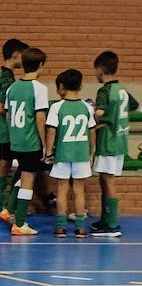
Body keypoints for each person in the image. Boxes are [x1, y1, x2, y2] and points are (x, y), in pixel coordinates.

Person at [44, 69, 96, 238]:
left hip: (63, 153)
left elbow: (51, 130)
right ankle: (80, 228)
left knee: (61, 190)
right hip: (81, 154)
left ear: (62, 86)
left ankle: (61, 227)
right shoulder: (87, 107)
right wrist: (91, 150)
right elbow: (92, 131)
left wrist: (48, 151)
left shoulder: (57, 107)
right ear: (81, 86)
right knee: (79, 190)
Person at [4, 47, 50, 236]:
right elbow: (40, 118)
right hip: (31, 142)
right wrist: (45, 143)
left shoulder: (12, 87)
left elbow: (7, 115)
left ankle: (9, 210)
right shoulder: (39, 88)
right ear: (40, 65)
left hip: (16, 140)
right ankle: (20, 223)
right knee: (28, 180)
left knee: (22, 174)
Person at [90, 50, 135, 237]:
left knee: (108, 181)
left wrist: (93, 111)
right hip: (120, 140)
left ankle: (112, 224)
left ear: (100, 69)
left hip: (108, 140)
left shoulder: (105, 90)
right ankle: (106, 219)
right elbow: (134, 105)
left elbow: (99, 113)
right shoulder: (123, 90)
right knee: (105, 179)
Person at [0, 38, 30, 220]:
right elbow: (1, 107)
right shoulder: (7, 77)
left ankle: (0, 206)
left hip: (5, 129)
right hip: (9, 130)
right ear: (15, 55)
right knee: (13, 165)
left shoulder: (4, 75)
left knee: (5, 164)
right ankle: (3, 206)